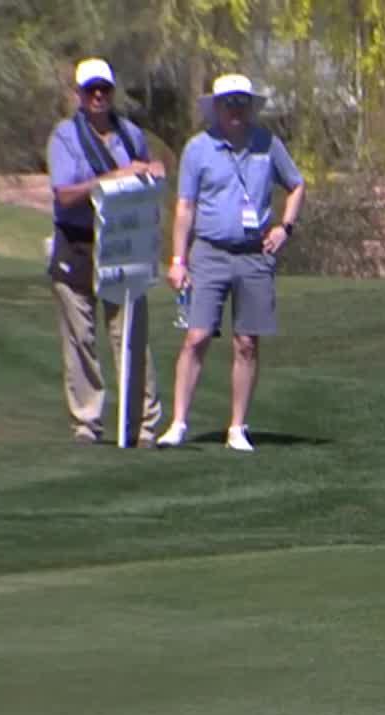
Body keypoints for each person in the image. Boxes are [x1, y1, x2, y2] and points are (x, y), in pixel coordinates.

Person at [157, 74, 306, 453]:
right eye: (229, 103)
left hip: (254, 254)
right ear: (217, 108)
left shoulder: (266, 144)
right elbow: (185, 207)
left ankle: (237, 427)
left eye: (242, 102)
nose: (236, 109)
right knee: (197, 337)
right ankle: (178, 422)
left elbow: (297, 185)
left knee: (246, 343)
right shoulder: (198, 148)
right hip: (208, 251)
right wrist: (178, 259)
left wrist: (285, 228)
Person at [46, 58, 166, 445]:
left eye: (104, 90)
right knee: (80, 338)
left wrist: (152, 171)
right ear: (79, 95)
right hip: (77, 241)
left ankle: (143, 424)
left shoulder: (130, 135)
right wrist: (111, 178)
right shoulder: (64, 137)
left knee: (130, 335)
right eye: (90, 90)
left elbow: (144, 181)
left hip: (123, 243)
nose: (98, 96)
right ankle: (87, 422)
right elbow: (64, 193)